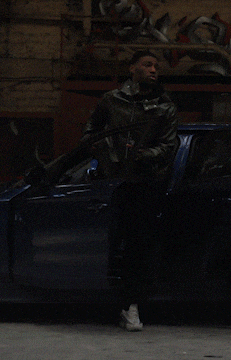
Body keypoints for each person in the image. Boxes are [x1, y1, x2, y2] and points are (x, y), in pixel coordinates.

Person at [81, 50, 178, 331]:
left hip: (146, 185)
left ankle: (131, 306)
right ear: (132, 68)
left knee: (138, 249)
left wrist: (139, 155)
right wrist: (106, 151)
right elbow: (90, 134)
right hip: (112, 183)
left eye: (156, 66)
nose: (153, 70)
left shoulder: (165, 106)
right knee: (109, 247)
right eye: (148, 65)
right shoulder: (112, 100)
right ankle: (112, 303)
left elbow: (168, 147)